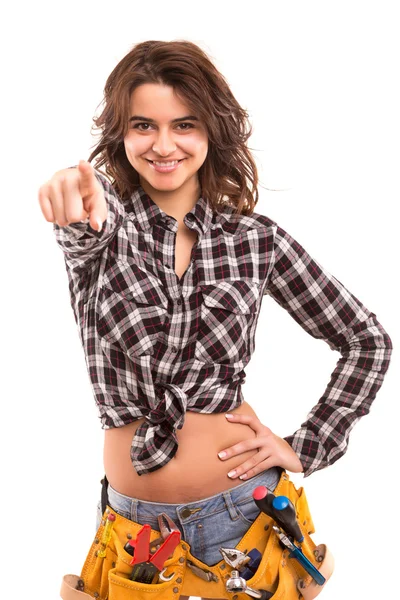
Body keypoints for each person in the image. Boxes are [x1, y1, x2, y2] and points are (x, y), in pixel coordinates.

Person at [38, 40, 392, 600]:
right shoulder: (104, 230)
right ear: (119, 135)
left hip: (245, 519)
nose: (163, 144)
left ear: (212, 131)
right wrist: (73, 188)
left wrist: (307, 443)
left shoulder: (256, 240)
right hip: (136, 538)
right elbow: (86, 215)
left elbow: (366, 341)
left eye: (184, 124)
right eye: (142, 125)